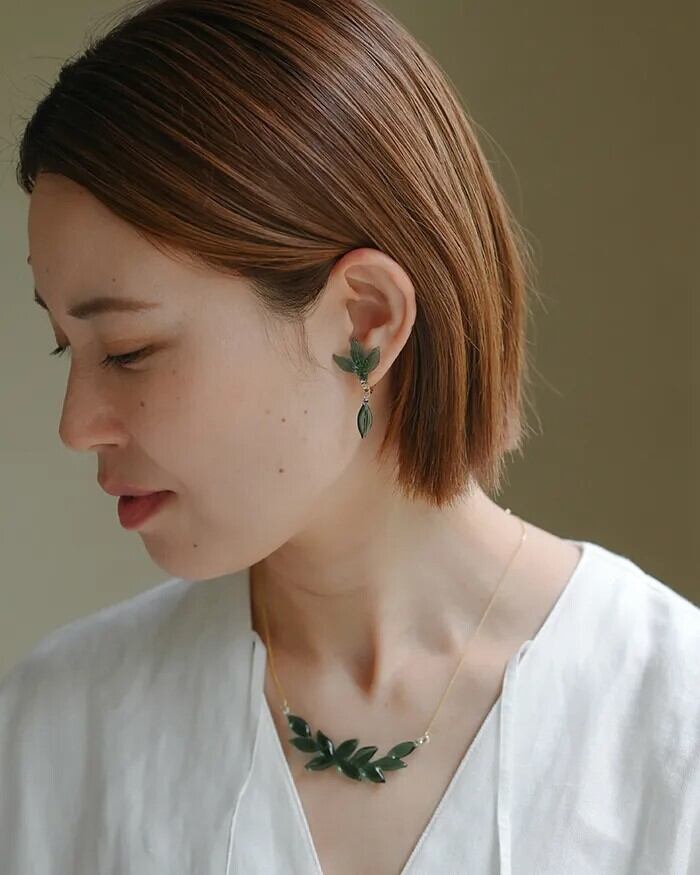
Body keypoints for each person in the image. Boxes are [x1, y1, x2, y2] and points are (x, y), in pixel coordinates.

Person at [2, 1, 698, 873]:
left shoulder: (670, 726)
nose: (75, 425)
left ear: (364, 321)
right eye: (65, 347)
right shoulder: (57, 737)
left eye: (129, 350)